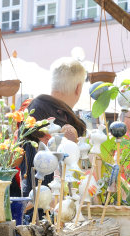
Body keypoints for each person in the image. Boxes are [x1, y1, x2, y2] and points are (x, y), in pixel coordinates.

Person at [19, 57, 87, 197]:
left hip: (31, 200)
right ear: (78, 88)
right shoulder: (66, 119)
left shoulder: (33, 110)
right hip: (56, 202)